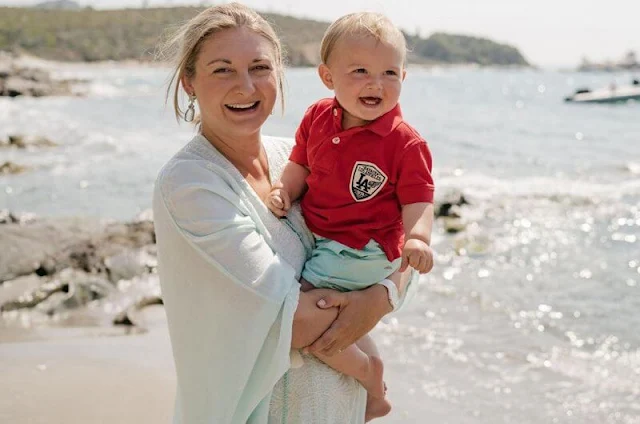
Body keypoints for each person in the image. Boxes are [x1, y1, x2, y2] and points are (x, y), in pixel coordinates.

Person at [152, 4, 413, 423]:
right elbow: (290, 321)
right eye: (222, 70)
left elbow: (399, 238)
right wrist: (372, 302)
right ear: (189, 82)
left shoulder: (298, 157)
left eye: (260, 67)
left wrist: (383, 296)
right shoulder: (191, 186)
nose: (246, 86)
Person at [266, 11, 435, 414]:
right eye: (360, 70)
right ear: (328, 77)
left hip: (364, 248)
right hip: (329, 241)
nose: (376, 83)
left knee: (301, 323)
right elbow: (300, 164)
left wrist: (418, 238)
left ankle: (366, 376)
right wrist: (283, 189)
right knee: (342, 320)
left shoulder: (403, 143)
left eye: (389, 73)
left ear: (404, 78)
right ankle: (376, 391)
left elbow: (419, 199)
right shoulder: (317, 117)